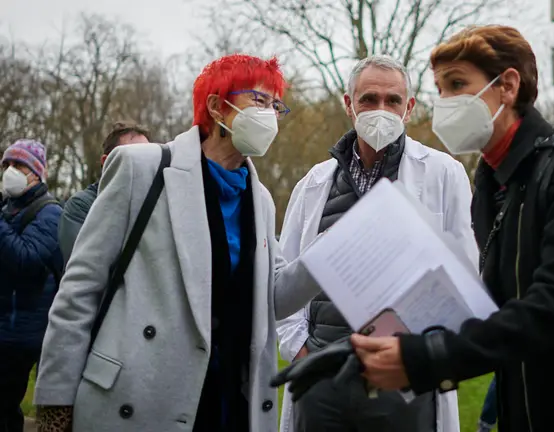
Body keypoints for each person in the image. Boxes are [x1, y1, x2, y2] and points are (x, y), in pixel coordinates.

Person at [276, 26, 554, 432]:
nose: (447, 103)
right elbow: (480, 304)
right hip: (527, 404)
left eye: (457, 85)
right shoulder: (493, 184)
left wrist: (421, 358)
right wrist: (354, 353)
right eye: (441, 90)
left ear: (507, 86)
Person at [34, 54, 321, 432]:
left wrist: (328, 259)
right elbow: (80, 288)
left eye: (275, 105)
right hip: (140, 395)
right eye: (258, 100)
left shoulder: (261, 200)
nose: (270, 115)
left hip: (229, 401)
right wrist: (55, 401)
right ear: (217, 106)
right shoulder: (141, 168)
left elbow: (275, 297)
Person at [276, 55, 474, 432]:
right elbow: (284, 280)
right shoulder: (314, 184)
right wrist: (301, 349)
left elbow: (464, 278)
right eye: (368, 99)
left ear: (410, 108)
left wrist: (417, 357)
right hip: (322, 375)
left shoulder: (444, 175)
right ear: (348, 105)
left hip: (402, 379)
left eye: (392, 100)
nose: (380, 110)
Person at [0, 139, 63, 432]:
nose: (10, 171)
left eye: (19, 165)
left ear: (36, 173)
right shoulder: (7, 209)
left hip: (23, 334)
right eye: (7, 165)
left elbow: (26, 260)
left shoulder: (50, 213)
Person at [58, 121, 150, 263]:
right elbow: (84, 266)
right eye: (133, 158)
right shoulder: (81, 206)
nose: (144, 166)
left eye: (149, 158)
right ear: (106, 162)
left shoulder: (156, 203)